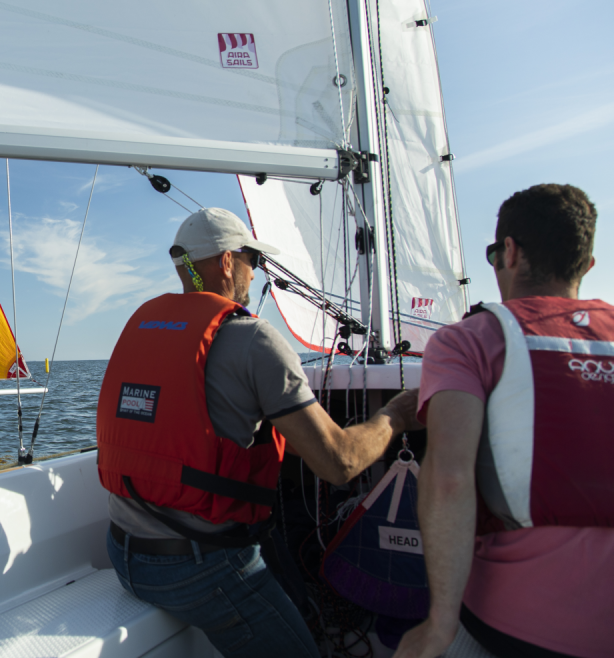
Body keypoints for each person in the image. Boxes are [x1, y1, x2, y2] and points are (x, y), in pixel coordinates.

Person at [97, 207, 423, 658]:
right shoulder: (255, 340)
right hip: (197, 569)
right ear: (227, 261)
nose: (256, 272)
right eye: (253, 259)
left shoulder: (143, 328)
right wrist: (395, 417)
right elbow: (339, 463)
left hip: (122, 552)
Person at [396, 184, 612, 658]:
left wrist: (439, 624)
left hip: (517, 625)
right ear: (587, 265)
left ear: (509, 252)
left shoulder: (468, 341)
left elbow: (449, 480)